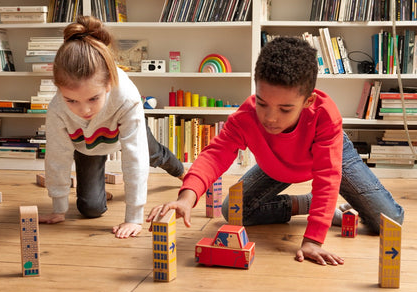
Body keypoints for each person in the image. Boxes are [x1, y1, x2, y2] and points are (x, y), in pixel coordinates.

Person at [147, 36, 404, 265]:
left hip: (333, 159)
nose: (270, 118)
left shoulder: (325, 115)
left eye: (285, 109)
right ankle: (309, 204)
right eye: (262, 103)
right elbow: (215, 155)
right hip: (276, 164)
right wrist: (186, 197)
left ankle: (325, 209)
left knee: (389, 220)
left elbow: (327, 176)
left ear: (308, 101)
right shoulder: (245, 116)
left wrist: (313, 240)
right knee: (233, 212)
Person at [40, 16, 184, 239]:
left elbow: (134, 159)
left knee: (153, 154)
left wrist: (133, 217)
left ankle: (181, 171)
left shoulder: (127, 97)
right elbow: (57, 156)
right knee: (90, 209)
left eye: (93, 99)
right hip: (87, 144)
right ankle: (98, 192)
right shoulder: (57, 108)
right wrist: (59, 207)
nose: (84, 110)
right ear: (59, 90)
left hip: (121, 132)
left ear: (109, 84)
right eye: (72, 101)